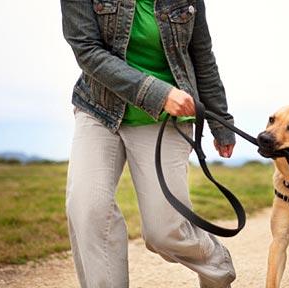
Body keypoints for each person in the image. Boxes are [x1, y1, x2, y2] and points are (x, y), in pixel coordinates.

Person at [60, 0, 236, 287]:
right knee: (86, 208)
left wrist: (219, 122)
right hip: (99, 108)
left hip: (167, 117)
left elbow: (202, 56)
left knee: (164, 232)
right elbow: (87, 51)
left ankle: (217, 267)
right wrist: (155, 92)